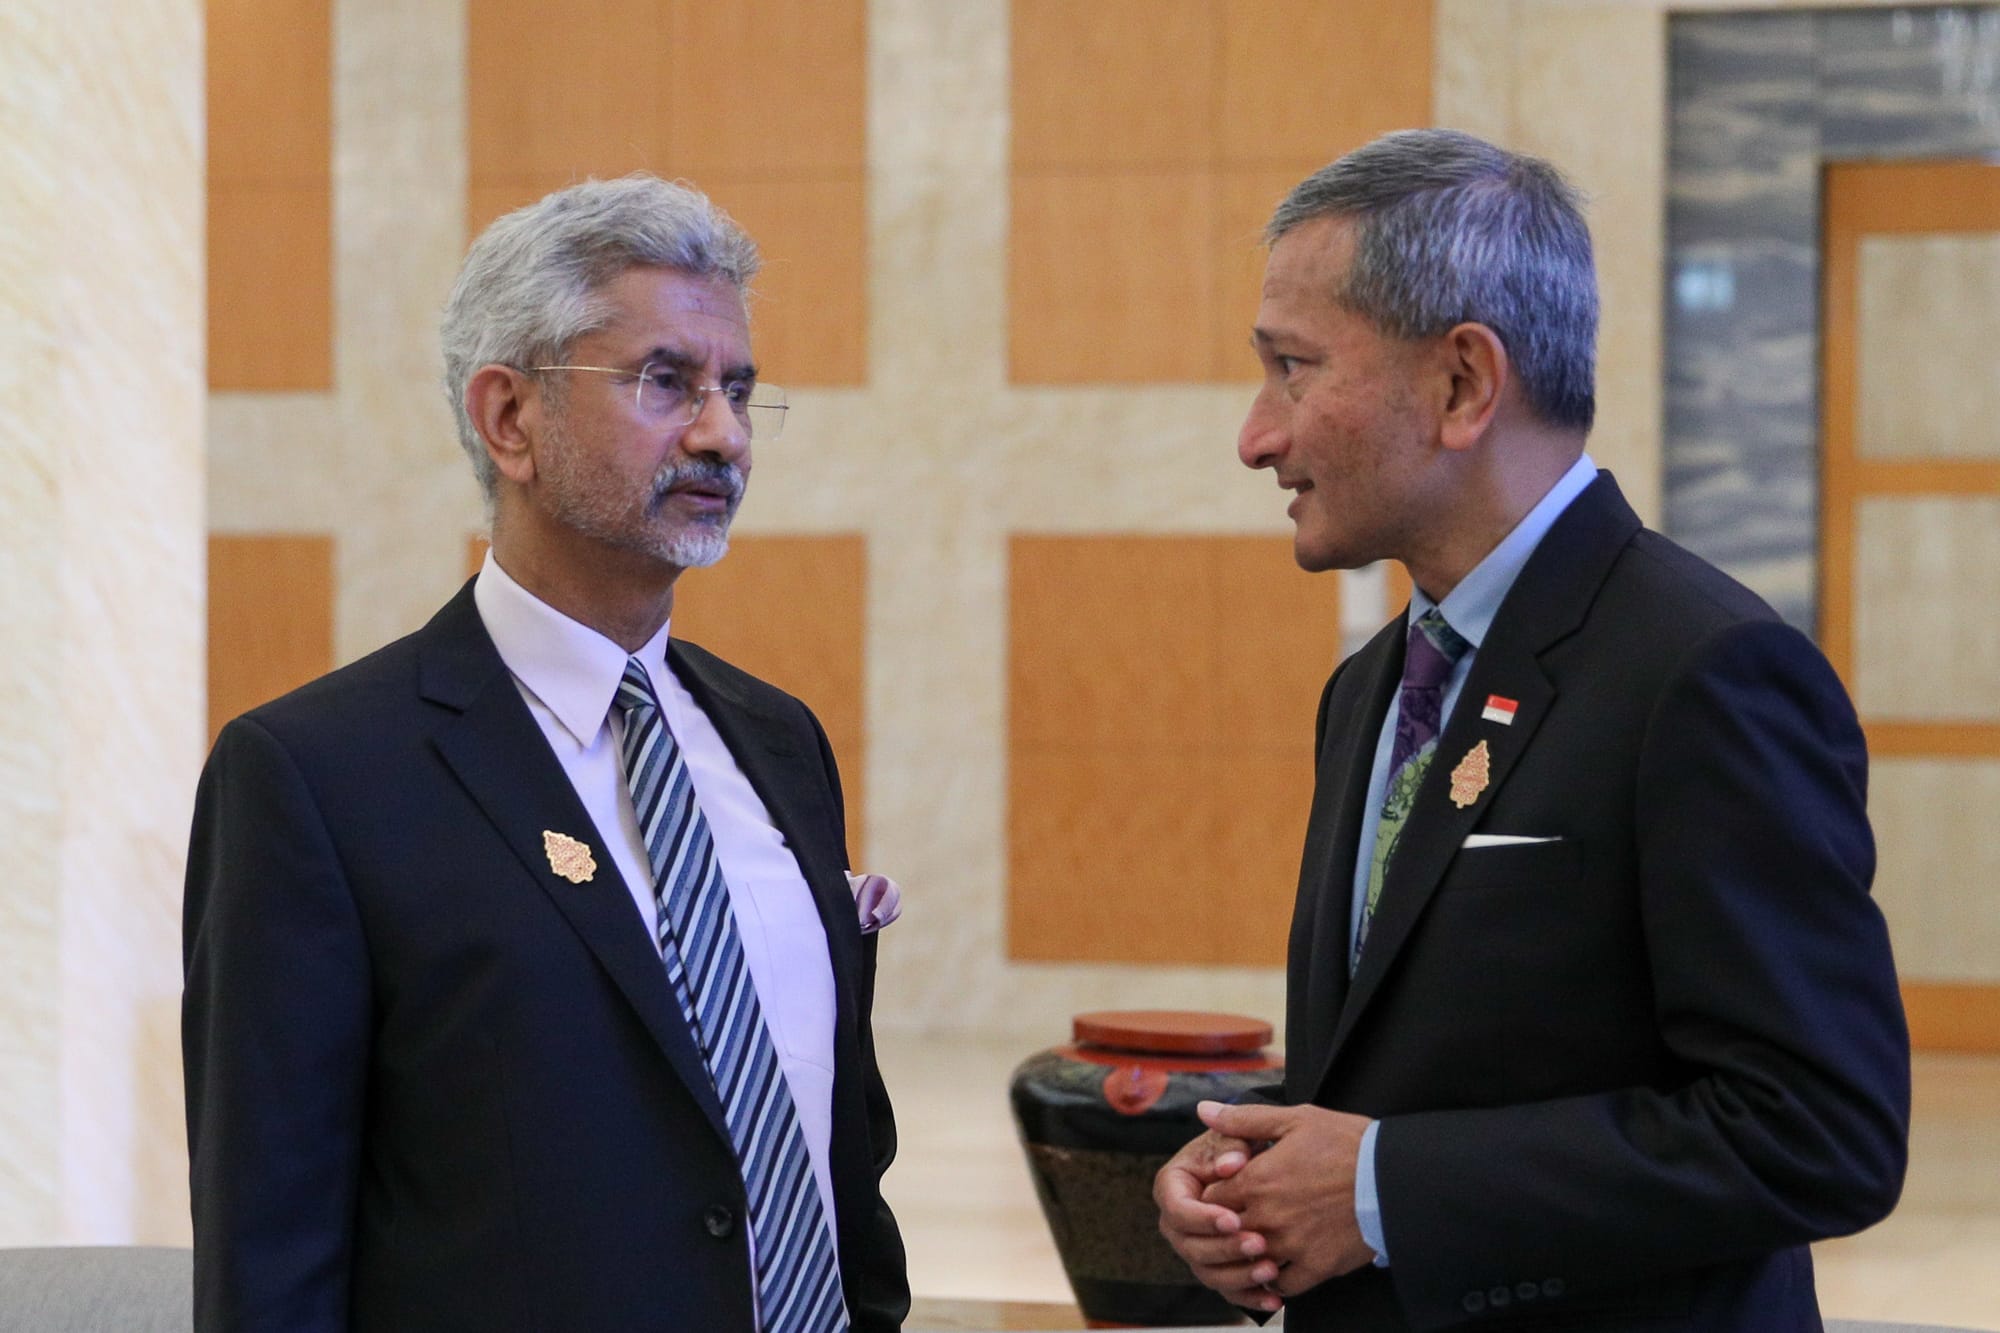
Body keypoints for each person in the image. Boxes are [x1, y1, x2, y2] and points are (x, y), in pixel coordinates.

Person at [1153, 128, 1909, 1331]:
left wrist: (1378, 1190)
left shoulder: (1704, 672)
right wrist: (1260, 1177)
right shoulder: (1368, 689)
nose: (1257, 435)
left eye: (1292, 368)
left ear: (1461, 383)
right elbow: (1423, 1057)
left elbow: (1817, 1131)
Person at [182, 175, 908, 1332]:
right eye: (665, 380)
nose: (721, 434)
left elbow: (840, 1150)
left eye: (736, 389)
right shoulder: (314, 777)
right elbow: (272, 1251)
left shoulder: (778, 739)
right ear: (509, 418)